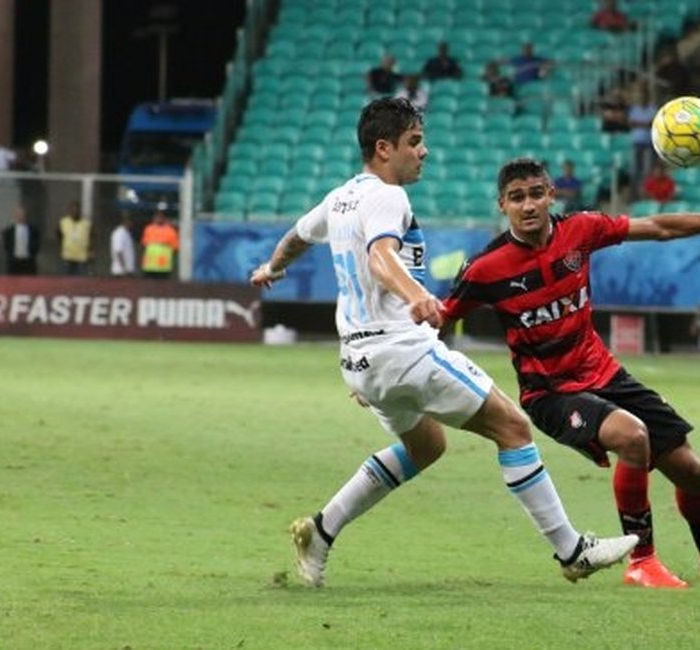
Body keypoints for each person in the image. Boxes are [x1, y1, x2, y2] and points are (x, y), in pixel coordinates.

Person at [248, 98, 637, 587]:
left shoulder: (340, 199)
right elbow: (379, 258)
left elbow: (297, 237)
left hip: (359, 360)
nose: (424, 152)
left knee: (426, 445)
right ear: (384, 148)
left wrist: (273, 267)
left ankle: (321, 533)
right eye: (414, 142)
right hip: (401, 351)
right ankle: (572, 550)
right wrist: (417, 296)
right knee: (513, 426)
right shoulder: (389, 197)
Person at [442, 157, 700, 588]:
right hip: (550, 393)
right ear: (502, 205)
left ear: (551, 195)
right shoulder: (485, 268)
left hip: (604, 374)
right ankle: (642, 561)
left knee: (690, 469)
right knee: (632, 436)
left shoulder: (581, 231)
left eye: (535, 194)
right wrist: (389, 366)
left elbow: (659, 227)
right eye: (517, 197)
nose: (528, 205)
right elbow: (439, 321)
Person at [628, 86, 658, 200]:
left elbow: (653, 123)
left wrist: (639, 123)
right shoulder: (634, 109)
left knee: (648, 169)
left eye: (643, 95)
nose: (641, 97)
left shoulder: (652, 108)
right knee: (635, 170)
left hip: (649, 143)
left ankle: (646, 193)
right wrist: (645, 124)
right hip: (636, 142)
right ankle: (634, 195)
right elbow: (631, 123)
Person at [140, 209, 179, 279]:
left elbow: (175, 248)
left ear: (164, 218)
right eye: (157, 217)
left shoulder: (170, 230)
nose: (158, 219)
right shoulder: (148, 229)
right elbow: (144, 245)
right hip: (150, 265)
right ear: (153, 218)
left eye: (160, 217)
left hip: (163, 266)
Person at [1, 205, 40, 275]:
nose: (20, 217)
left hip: (28, 262)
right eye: (18, 215)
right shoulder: (9, 231)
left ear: (26, 216)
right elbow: (7, 245)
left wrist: (33, 252)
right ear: (15, 216)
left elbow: (36, 244)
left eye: (22, 215)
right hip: (14, 262)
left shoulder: (33, 230)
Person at [58, 201, 91, 276]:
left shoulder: (86, 223)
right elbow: (59, 236)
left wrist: (91, 250)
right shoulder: (63, 222)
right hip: (67, 257)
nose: (75, 212)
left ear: (80, 211)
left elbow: (92, 237)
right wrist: (62, 247)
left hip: (82, 257)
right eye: (73, 210)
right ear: (69, 211)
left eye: (77, 210)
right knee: (66, 281)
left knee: (80, 282)